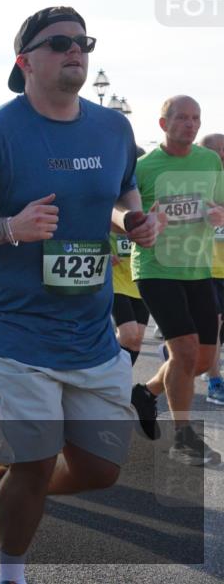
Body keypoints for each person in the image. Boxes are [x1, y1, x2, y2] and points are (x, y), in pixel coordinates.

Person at [0, 6, 159, 584]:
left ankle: (2, 485)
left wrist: (131, 220)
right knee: (33, 462)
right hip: (15, 326)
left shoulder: (113, 129)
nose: (75, 49)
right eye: (59, 43)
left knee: (101, 469)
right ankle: (9, 571)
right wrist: (10, 227)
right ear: (25, 61)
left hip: (90, 328)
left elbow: (123, 189)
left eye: (83, 41)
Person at [129, 96, 223, 465]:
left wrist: (219, 214)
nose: (190, 124)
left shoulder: (210, 161)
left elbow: (220, 204)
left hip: (198, 269)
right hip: (156, 268)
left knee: (202, 359)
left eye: (196, 118)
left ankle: (146, 392)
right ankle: (183, 438)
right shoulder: (143, 168)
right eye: (182, 117)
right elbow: (123, 214)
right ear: (163, 124)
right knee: (183, 352)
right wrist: (144, 220)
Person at [111, 146, 150, 368]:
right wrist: (102, 251)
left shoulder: (147, 198)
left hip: (138, 275)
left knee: (136, 340)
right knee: (128, 335)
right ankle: (106, 373)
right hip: (113, 277)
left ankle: (120, 382)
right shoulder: (107, 195)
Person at [198, 132, 224, 405]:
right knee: (213, 326)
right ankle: (215, 383)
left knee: (214, 333)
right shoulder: (196, 182)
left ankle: (183, 354)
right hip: (206, 268)